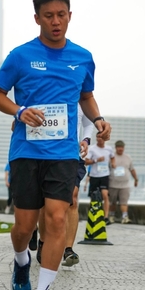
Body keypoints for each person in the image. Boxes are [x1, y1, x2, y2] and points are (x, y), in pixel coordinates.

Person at [0, 0, 111, 290]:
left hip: (64, 154)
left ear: (70, 16)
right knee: (24, 227)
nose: (56, 21)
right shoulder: (20, 55)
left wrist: (98, 119)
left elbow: (86, 96)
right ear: (37, 18)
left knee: (57, 219)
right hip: (26, 152)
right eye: (49, 15)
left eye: (61, 15)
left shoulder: (82, 57)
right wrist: (19, 111)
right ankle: (21, 260)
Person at [37, 109, 94, 267]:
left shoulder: (81, 100)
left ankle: (68, 249)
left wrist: (86, 139)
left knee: (72, 198)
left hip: (73, 155)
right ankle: (43, 241)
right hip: (47, 153)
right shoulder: (50, 96)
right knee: (45, 202)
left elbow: (88, 122)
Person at [84, 135, 115, 224]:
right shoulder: (92, 149)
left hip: (105, 175)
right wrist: (96, 160)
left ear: (104, 139)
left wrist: (113, 164)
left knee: (105, 195)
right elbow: (86, 162)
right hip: (94, 175)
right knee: (93, 196)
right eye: (98, 137)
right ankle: (93, 216)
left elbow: (113, 157)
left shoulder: (109, 149)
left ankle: (106, 217)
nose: (99, 139)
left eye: (101, 137)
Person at [109, 140, 139, 224]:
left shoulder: (128, 157)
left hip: (125, 185)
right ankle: (111, 216)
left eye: (122, 147)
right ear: (116, 148)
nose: (120, 149)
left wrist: (136, 179)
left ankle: (125, 217)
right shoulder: (111, 157)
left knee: (124, 202)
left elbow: (132, 169)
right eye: (119, 147)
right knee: (112, 202)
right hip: (112, 184)